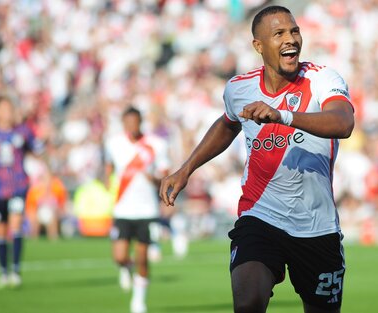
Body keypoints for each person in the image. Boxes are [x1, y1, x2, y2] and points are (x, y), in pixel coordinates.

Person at [160, 5, 355, 313]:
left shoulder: (323, 79)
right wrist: (186, 169)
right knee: (248, 303)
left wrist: (283, 116)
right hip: (261, 215)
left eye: (294, 31)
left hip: (317, 226)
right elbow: (227, 124)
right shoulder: (239, 88)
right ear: (258, 45)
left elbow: (343, 123)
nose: (290, 39)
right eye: (279, 33)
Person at [104, 106, 170, 313]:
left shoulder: (156, 145)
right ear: (123, 124)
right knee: (119, 256)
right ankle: (126, 269)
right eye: (128, 123)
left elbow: (165, 175)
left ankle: (139, 301)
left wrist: (155, 180)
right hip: (122, 208)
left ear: (141, 122)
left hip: (147, 210)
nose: (132, 126)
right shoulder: (113, 143)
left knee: (142, 257)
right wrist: (108, 183)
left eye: (135, 122)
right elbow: (109, 167)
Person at [0, 94, 43, 289]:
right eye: (3, 109)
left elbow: (37, 150)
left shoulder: (23, 132)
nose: (7, 113)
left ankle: (16, 271)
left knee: (15, 225)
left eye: (9, 108)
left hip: (18, 186)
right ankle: (3, 273)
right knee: (0, 229)